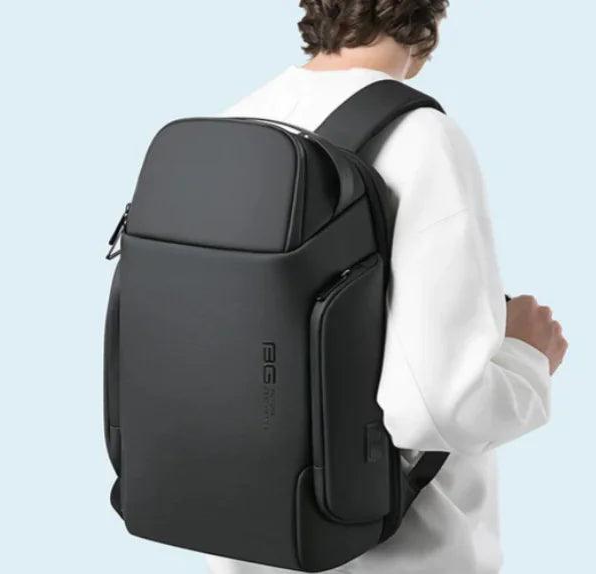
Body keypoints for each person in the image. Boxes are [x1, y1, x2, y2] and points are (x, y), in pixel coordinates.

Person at [207, 1, 568, 573]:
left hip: (247, 542)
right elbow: (436, 407)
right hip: (397, 552)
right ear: (430, 16)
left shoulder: (235, 122)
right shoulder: (420, 136)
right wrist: (527, 357)